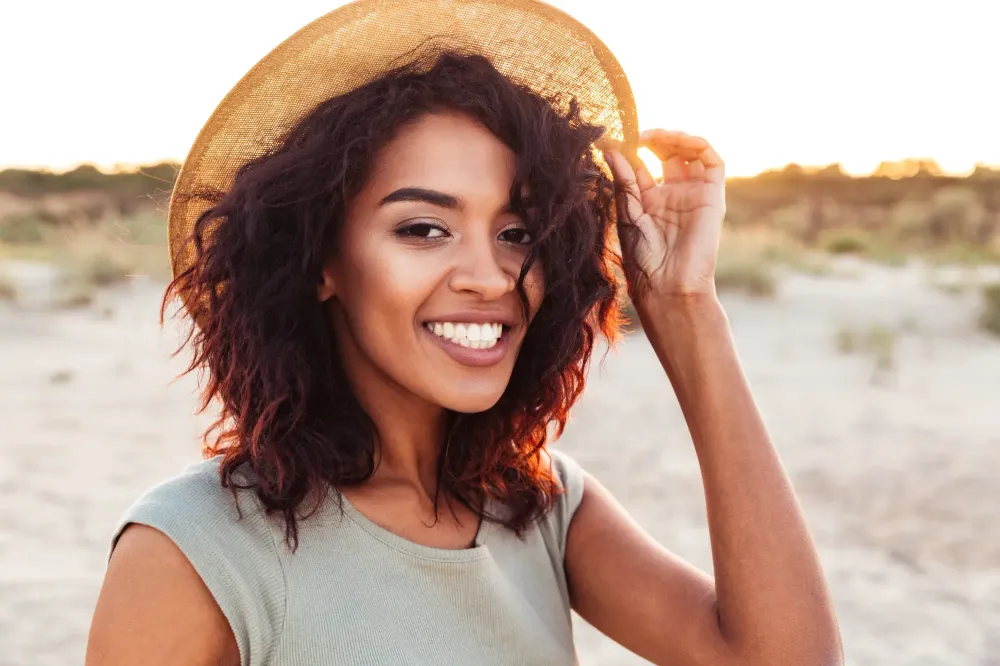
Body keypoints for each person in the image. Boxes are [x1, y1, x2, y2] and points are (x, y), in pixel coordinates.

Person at [86, 1, 843, 665]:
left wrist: (684, 309)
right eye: (424, 228)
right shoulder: (193, 550)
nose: (489, 275)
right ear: (322, 263)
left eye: (517, 231)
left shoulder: (542, 505)